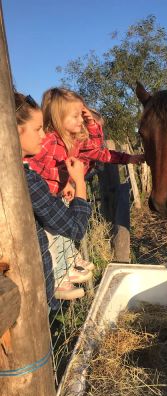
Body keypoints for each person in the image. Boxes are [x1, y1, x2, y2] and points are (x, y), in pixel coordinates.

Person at [26, 87, 144, 272]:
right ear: (58, 117)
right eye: (77, 116)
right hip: (41, 198)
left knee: (59, 233)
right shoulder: (48, 141)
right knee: (49, 238)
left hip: (57, 194)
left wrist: (93, 125)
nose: (81, 120)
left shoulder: (73, 141)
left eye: (82, 116)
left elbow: (98, 150)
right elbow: (28, 163)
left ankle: (68, 263)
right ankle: (59, 274)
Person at [15, 91, 92, 306]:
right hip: (35, 292)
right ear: (14, 131)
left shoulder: (18, 175)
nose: (43, 136)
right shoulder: (27, 181)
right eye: (38, 129)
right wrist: (80, 182)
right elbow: (75, 228)